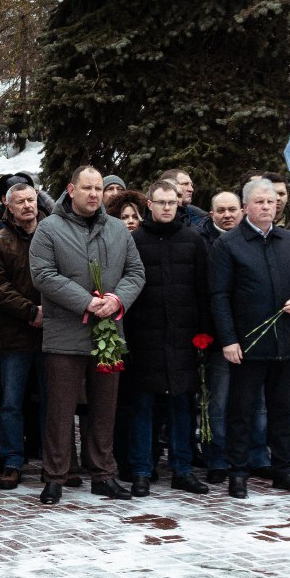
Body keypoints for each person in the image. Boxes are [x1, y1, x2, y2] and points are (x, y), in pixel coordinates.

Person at [28, 167, 146, 505]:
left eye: (98, 188)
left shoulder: (117, 229)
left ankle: (103, 474)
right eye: (87, 188)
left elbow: (136, 272)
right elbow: (43, 274)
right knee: (60, 410)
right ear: (71, 189)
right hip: (66, 333)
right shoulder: (50, 228)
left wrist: (117, 299)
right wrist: (86, 301)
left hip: (108, 334)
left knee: (105, 408)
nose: (94, 194)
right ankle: (55, 476)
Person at [210, 177, 290, 498]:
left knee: (282, 410)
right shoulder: (229, 245)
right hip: (247, 344)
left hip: (284, 343)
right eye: (260, 202)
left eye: (271, 202)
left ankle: (284, 470)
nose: (267, 207)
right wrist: (228, 339)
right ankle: (238, 472)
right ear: (245, 207)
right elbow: (219, 295)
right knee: (241, 411)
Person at [118, 181, 211, 495]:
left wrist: (204, 333)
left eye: (172, 202)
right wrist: (126, 340)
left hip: (184, 338)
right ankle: (142, 470)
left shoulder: (193, 240)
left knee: (182, 406)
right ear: (150, 204)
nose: (167, 207)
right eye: (161, 202)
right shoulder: (134, 241)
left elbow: (203, 290)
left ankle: (182, 469)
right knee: (143, 406)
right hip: (145, 338)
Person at [0, 182, 44, 490]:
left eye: (31, 200)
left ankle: (55, 460)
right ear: (8, 205)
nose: (27, 206)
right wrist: (30, 312)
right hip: (13, 336)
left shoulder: (52, 234)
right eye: (20, 202)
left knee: (52, 401)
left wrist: (49, 312)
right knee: (11, 402)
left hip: (52, 334)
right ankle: (12, 460)